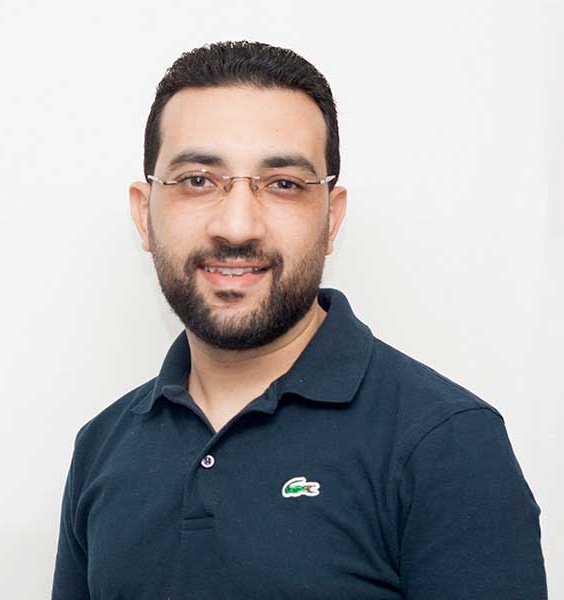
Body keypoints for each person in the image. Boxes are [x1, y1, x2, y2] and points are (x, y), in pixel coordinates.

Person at [51, 40, 548, 599]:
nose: (237, 226)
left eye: (283, 184)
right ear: (145, 215)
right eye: (198, 180)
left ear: (331, 220)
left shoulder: (446, 444)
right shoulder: (101, 447)